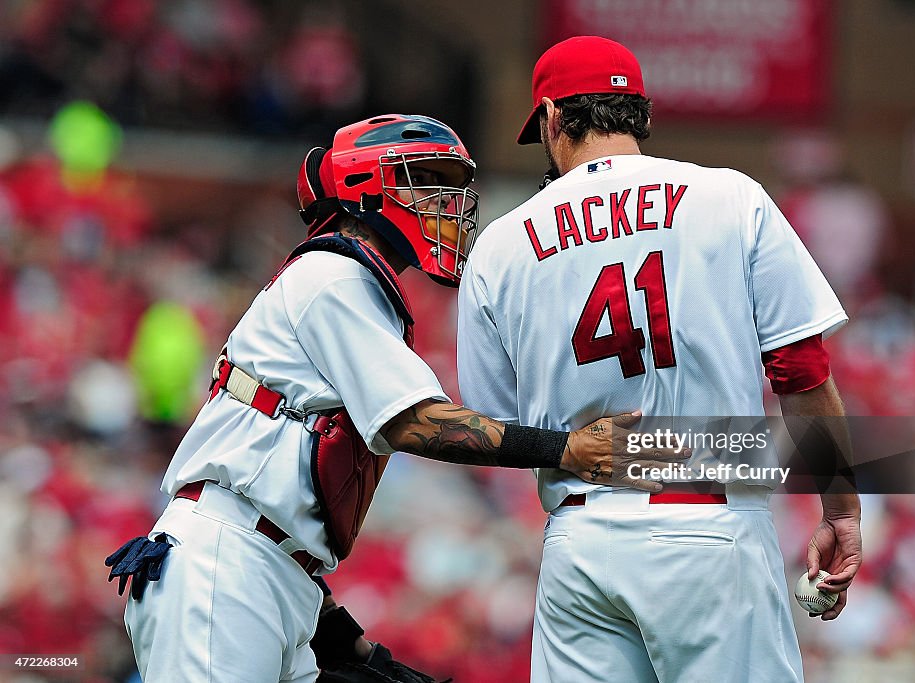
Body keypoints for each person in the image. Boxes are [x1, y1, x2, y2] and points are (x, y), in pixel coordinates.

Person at [105, 114, 669, 683]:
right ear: (364, 187)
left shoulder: (353, 286)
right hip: (223, 565)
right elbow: (418, 424)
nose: (446, 200)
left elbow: (283, 509)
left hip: (264, 568)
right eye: (426, 179)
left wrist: (348, 640)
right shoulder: (333, 275)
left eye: (451, 183)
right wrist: (568, 448)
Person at [456, 37, 864, 683]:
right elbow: (801, 371)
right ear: (641, 113)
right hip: (709, 519)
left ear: (553, 117)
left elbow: (493, 428)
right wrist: (840, 508)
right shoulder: (731, 198)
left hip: (579, 539)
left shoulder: (501, 243)